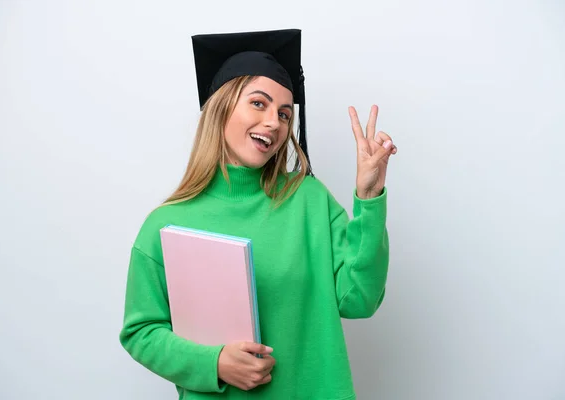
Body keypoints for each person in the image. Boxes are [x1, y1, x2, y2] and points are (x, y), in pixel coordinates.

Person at [119, 28, 398, 399]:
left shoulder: (308, 201)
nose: (275, 122)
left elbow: (359, 300)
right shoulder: (167, 225)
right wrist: (214, 363)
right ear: (221, 108)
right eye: (258, 103)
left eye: (285, 113)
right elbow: (141, 332)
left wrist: (369, 197)